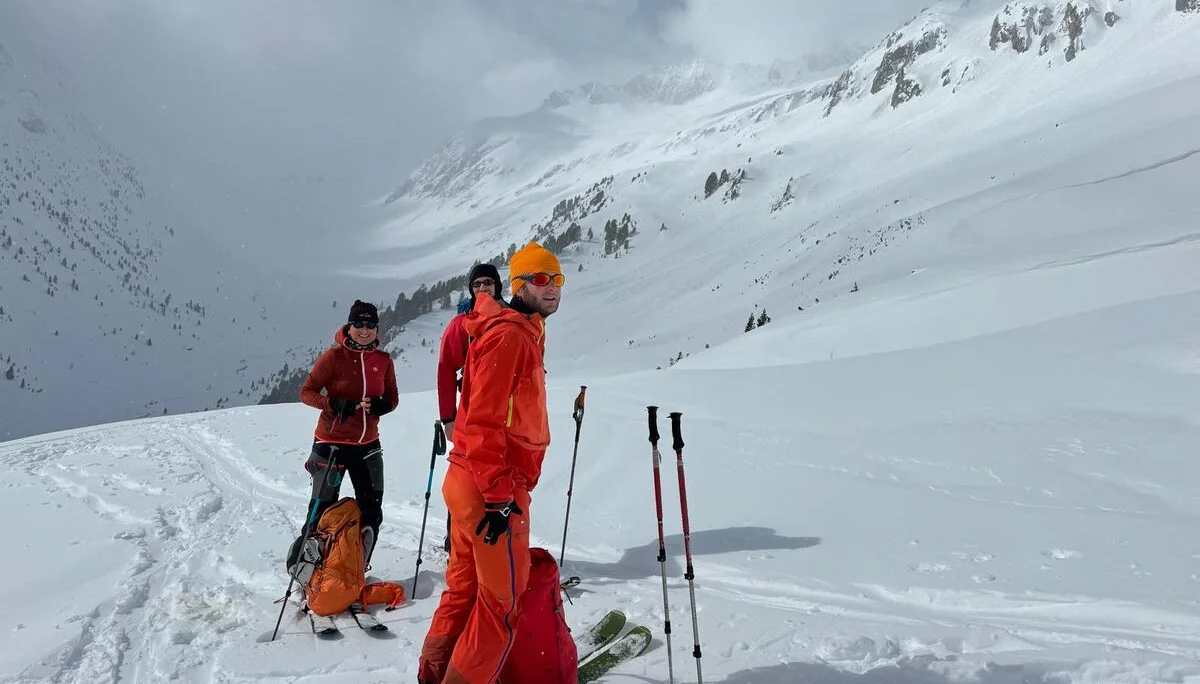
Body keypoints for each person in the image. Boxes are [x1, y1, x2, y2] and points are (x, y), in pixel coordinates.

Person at [418, 242, 564, 684]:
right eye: (541, 279)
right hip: (491, 489)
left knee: (464, 592)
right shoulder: (509, 335)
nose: (552, 288)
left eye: (557, 278)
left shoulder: (523, 329)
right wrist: (500, 497)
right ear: (519, 285)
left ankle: (435, 674)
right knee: (501, 606)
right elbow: (483, 420)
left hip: (471, 481)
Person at [295, 299, 398, 569]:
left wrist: (382, 406)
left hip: (369, 445)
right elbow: (307, 392)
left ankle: (354, 572)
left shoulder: (383, 361)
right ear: (349, 326)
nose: (365, 330)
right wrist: (333, 403)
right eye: (359, 324)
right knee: (321, 510)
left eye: (371, 324)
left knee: (372, 512)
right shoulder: (333, 358)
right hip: (331, 444)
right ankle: (306, 572)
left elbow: (392, 399)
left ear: (377, 328)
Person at [436, 262, 506, 553]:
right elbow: (444, 370)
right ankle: (457, 541)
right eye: (477, 284)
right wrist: (447, 418)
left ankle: (500, 539)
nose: (482, 288)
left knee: (500, 473)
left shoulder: (509, 318)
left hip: (503, 413)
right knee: (464, 476)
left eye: (488, 283)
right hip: (468, 414)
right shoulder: (461, 323)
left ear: (497, 286)